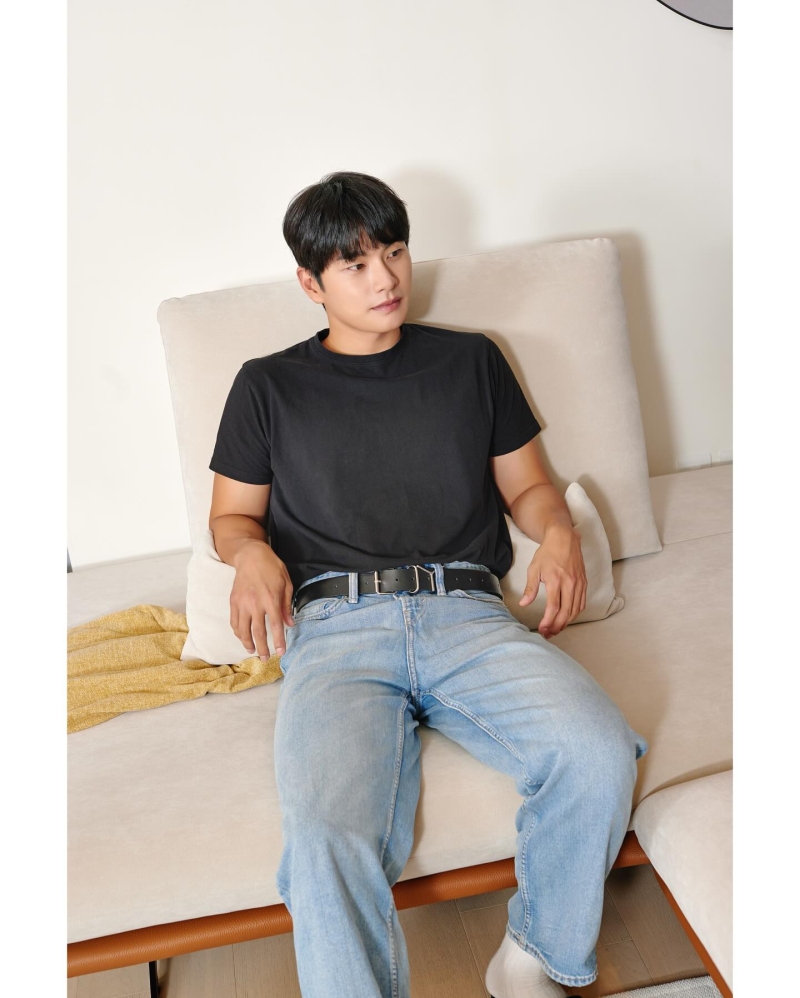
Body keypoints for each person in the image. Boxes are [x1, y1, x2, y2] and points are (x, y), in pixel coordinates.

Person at [207, 171, 649, 998]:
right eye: (355, 265)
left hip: (468, 614)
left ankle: (532, 960)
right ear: (310, 284)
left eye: (395, 252)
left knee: (596, 751)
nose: (385, 278)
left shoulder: (470, 361)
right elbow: (232, 517)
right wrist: (250, 554)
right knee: (325, 834)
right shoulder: (266, 386)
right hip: (335, 631)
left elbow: (529, 486)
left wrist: (557, 531)